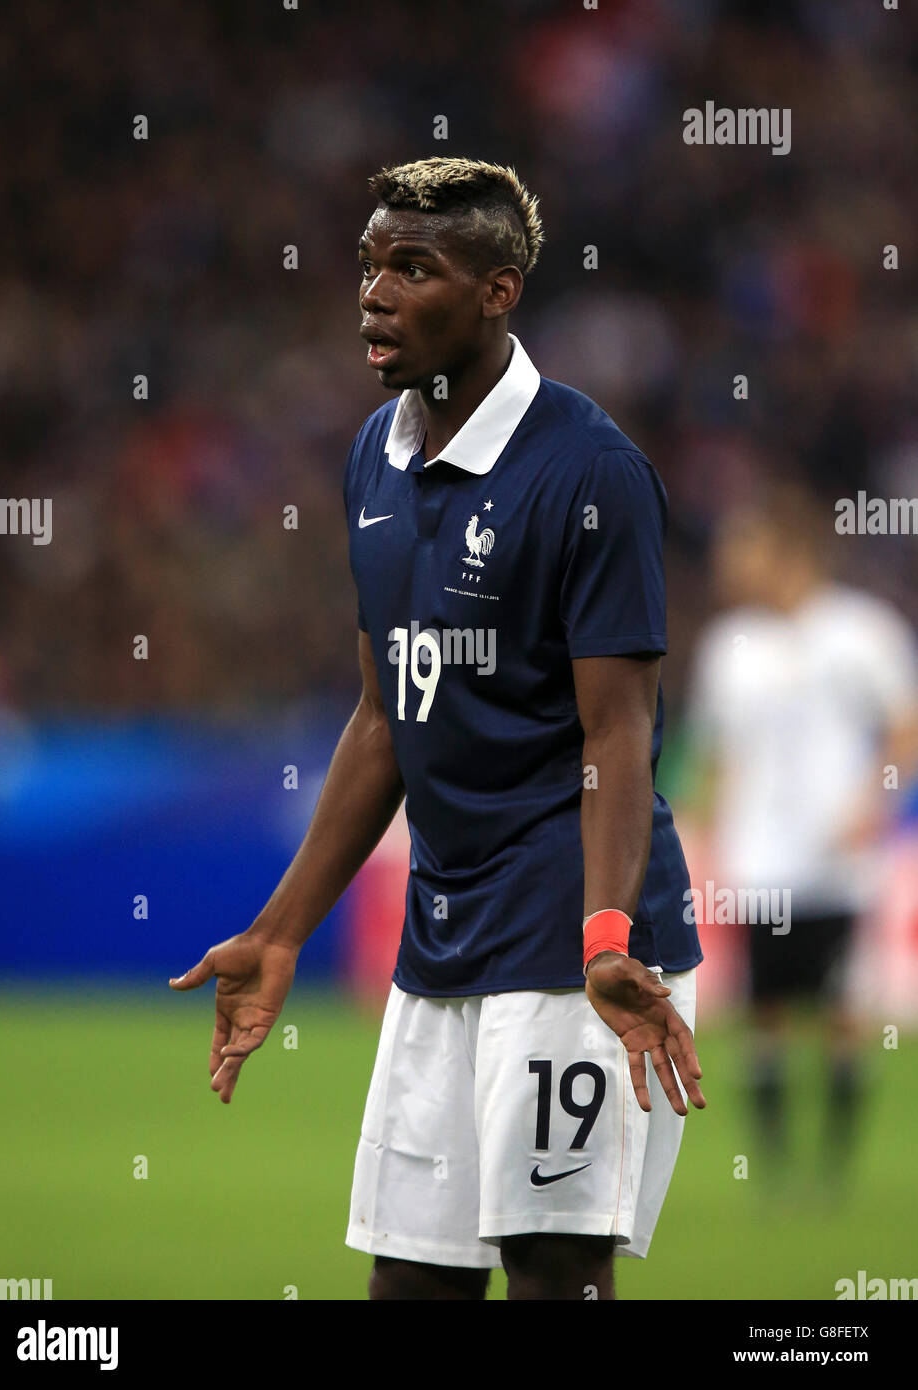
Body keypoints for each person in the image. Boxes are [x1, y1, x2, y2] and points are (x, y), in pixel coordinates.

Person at [171, 156, 704, 1300]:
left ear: (499, 290)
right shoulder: (377, 453)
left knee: (556, 1272)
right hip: (443, 934)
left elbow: (619, 737)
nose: (374, 293)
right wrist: (281, 930)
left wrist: (606, 933)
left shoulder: (591, 470)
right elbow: (385, 713)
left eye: (413, 269)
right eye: (369, 265)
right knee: (411, 1284)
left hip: (578, 937)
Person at [686, 484, 918, 1181]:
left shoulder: (861, 631)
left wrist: (871, 804)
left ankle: (833, 1165)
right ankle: (776, 1166)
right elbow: (721, 754)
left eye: (742, 548)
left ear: (784, 549)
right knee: (766, 1011)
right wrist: (699, 820)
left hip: (838, 861)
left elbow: (903, 727)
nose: (729, 564)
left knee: (843, 1010)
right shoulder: (728, 649)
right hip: (759, 861)